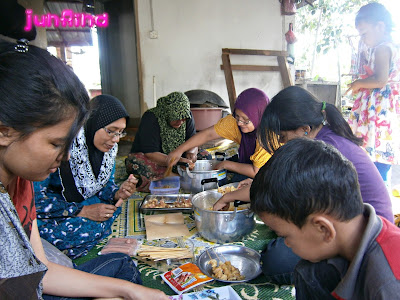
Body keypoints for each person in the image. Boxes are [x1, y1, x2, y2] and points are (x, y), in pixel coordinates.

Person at [0, 39, 168, 299]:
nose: (66, 155)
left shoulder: (21, 183)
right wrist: (83, 210)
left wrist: (128, 291)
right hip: (57, 225)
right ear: (4, 131)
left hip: (40, 279)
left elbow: (40, 271)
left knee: (123, 269)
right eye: (56, 143)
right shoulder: (31, 179)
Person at [250, 138, 400, 299]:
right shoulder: (349, 234)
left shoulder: (388, 286)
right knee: (308, 271)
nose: (286, 243)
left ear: (323, 228)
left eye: (285, 236)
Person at [34, 94, 138, 259]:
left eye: (120, 133)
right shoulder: (63, 146)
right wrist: (82, 211)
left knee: (108, 211)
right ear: (93, 122)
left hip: (85, 201)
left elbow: (105, 185)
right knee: (77, 229)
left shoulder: (108, 151)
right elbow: (36, 202)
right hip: (55, 210)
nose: (116, 140)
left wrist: (117, 193)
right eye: (111, 131)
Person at [347, 2, 400, 190]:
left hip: (379, 109)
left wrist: (358, 83)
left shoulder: (382, 49)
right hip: (386, 108)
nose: (363, 39)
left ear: (380, 26)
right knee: (379, 150)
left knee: (373, 149)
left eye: (364, 34)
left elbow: (380, 80)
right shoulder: (392, 46)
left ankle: (376, 188)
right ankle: (379, 184)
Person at [167, 88, 271, 181]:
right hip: (250, 163)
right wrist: (179, 150)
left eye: (246, 120)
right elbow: (208, 134)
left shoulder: (268, 135)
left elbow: (256, 172)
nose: (239, 123)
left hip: (268, 173)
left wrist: (226, 164)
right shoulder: (235, 121)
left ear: (259, 117)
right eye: (237, 117)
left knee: (233, 180)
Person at [125, 91, 199, 192]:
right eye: (176, 118)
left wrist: (191, 153)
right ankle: (178, 177)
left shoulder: (186, 116)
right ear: (168, 113)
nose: (181, 122)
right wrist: (179, 161)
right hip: (155, 158)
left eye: (184, 119)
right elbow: (150, 153)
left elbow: (193, 140)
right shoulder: (151, 117)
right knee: (136, 164)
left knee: (204, 156)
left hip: (179, 158)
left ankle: (173, 177)